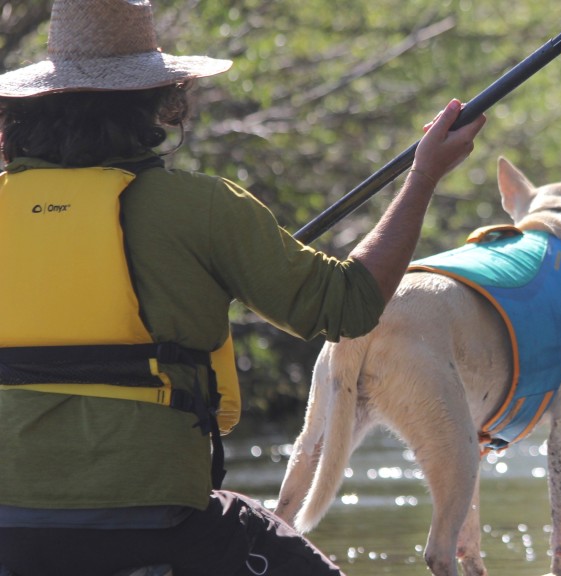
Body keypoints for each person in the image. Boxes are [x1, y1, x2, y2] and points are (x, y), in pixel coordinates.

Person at [0, 1, 486, 575]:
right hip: (160, 523)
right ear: (156, 102)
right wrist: (422, 177)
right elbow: (349, 304)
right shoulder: (204, 207)